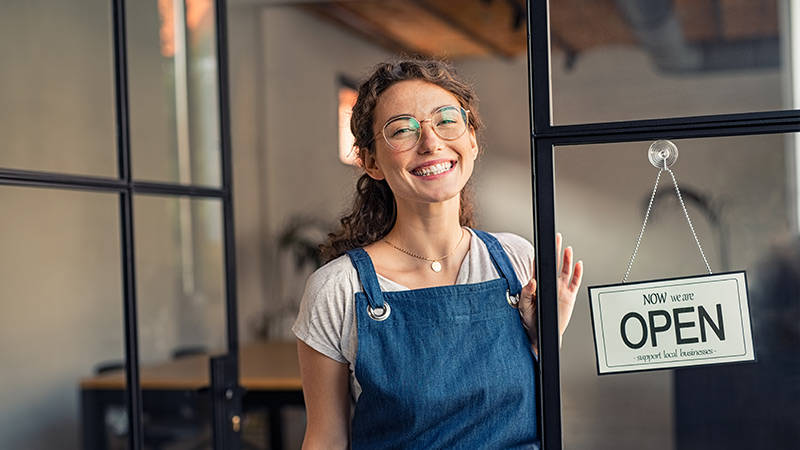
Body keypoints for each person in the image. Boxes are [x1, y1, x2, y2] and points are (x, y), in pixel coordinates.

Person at [292, 56, 583, 449]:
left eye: (446, 120)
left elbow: (543, 414)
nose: (431, 142)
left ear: (472, 139)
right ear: (371, 161)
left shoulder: (515, 260)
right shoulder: (339, 290)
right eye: (402, 130)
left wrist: (545, 339)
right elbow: (326, 439)